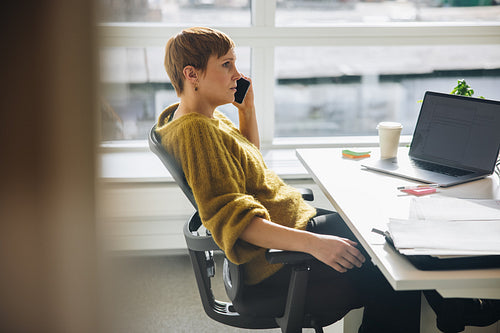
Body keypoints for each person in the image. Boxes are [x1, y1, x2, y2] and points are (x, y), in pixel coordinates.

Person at [156, 26, 421, 333]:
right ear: (192, 75)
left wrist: (247, 110)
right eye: (226, 64)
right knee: (394, 269)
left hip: (289, 227)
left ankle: (450, 306)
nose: (237, 75)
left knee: (386, 236)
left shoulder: (200, 117)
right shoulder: (196, 131)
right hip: (276, 258)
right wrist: (317, 245)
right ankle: (452, 307)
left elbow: (245, 164)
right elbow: (234, 219)